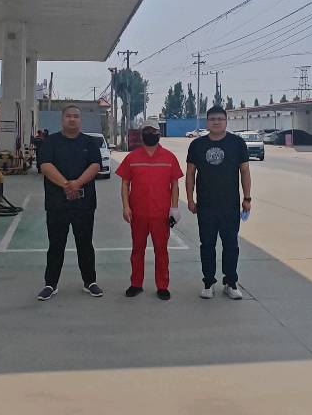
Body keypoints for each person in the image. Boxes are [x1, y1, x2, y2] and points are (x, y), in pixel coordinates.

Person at [36, 105, 104, 301]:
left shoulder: (90, 142)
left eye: (75, 116)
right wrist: (67, 185)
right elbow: (45, 166)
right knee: (56, 245)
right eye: (68, 116)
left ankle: (90, 282)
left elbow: (95, 166)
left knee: (85, 244)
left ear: (80, 120)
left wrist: (77, 184)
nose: (72, 119)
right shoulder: (50, 142)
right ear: (62, 119)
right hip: (57, 204)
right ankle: (50, 284)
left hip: (84, 205)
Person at [185, 104, 251, 299]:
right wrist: (190, 199)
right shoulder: (197, 145)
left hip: (230, 206)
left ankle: (230, 283)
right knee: (207, 245)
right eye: (212, 119)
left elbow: (245, 172)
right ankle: (208, 283)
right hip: (206, 206)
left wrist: (247, 198)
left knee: (231, 245)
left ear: (226, 121)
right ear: (207, 122)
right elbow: (190, 173)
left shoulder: (237, 143)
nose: (216, 122)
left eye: (220, 119)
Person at [116, 118, 183, 301]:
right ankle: (136, 284)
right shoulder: (132, 157)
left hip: (161, 214)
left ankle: (162, 286)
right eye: (147, 131)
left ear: (159, 134)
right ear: (141, 134)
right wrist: (126, 206)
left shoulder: (169, 157)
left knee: (161, 251)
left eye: (154, 131)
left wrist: (174, 208)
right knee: (137, 250)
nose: (151, 134)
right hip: (138, 213)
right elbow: (125, 184)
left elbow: (175, 185)